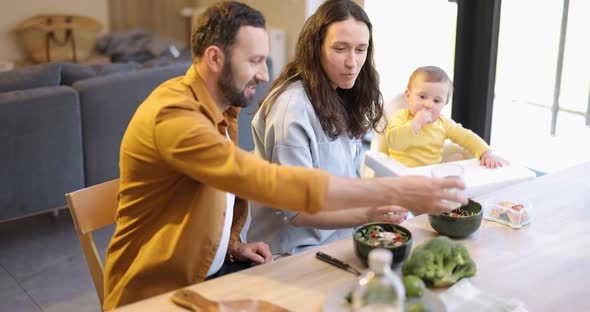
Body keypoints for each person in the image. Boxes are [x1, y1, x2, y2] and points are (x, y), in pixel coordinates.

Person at [102, 2, 467, 309]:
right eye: (256, 60)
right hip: (156, 295)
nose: (265, 74)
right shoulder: (176, 117)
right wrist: (396, 191)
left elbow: (205, 196)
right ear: (215, 58)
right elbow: (266, 181)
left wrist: (231, 245)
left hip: (211, 269)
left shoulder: (218, 109)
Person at [247, 0, 408, 255]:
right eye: (340, 49)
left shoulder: (339, 92)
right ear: (316, 48)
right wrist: (369, 213)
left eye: (361, 49)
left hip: (339, 239)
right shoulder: (293, 108)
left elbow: (341, 177)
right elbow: (298, 211)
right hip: (293, 252)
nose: (353, 63)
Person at [385, 65, 504, 168]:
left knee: (458, 158)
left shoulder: (443, 123)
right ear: (408, 95)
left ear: (444, 104)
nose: (428, 105)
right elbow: (394, 143)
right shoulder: (401, 117)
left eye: (436, 101)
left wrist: (486, 152)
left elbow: (467, 137)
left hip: (431, 172)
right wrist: (415, 123)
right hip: (402, 174)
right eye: (422, 97)